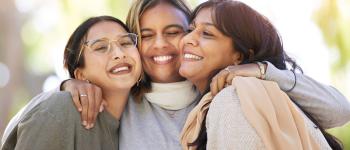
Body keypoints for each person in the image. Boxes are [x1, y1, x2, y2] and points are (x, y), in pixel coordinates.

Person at [2, 0, 350, 149]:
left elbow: (339, 110)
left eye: (174, 31)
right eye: (146, 35)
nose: (160, 46)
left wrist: (261, 71)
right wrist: (69, 84)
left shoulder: (226, 95)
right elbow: (42, 119)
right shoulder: (124, 105)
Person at [179, 0, 343, 149]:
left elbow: (341, 111)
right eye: (190, 29)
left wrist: (264, 71)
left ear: (239, 56)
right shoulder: (235, 100)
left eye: (207, 33)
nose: (188, 39)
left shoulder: (233, 99)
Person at [1, 15, 142, 150]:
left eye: (125, 43)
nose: (119, 53)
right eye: (101, 47)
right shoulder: (59, 111)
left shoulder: (139, 121)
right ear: (80, 75)